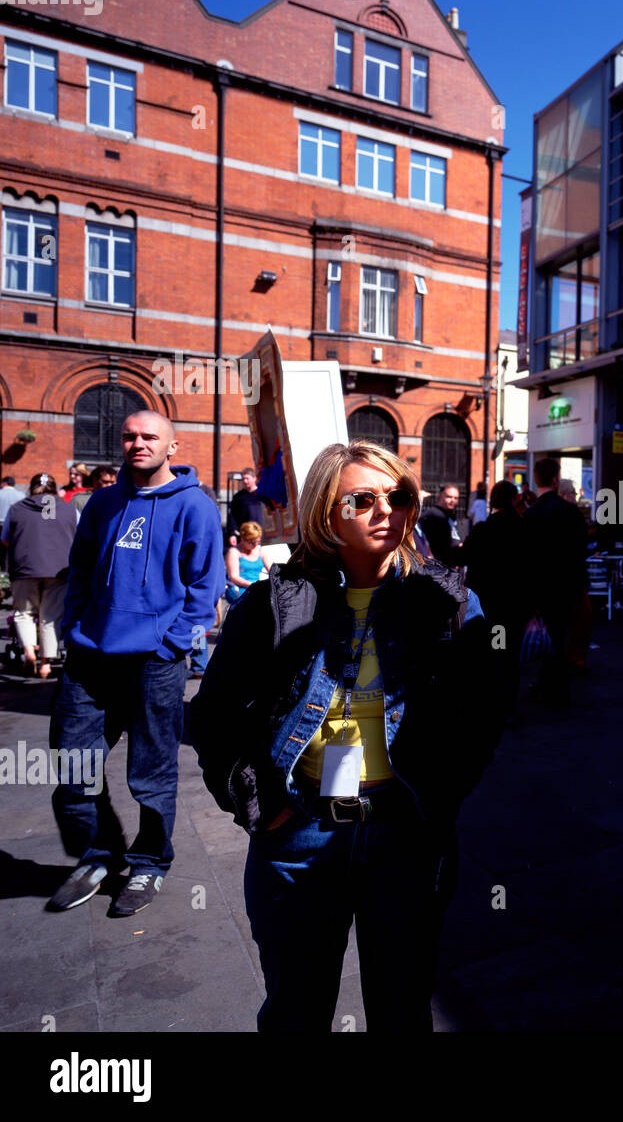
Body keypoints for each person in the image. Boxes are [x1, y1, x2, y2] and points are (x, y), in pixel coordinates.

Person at [189, 441, 501, 1032]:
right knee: (294, 1012)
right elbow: (213, 715)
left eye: (399, 496)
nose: (387, 510)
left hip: (405, 839)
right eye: (363, 499)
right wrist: (254, 796)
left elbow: (481, 713)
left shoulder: (449, 602)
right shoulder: (273, 604)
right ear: (323, 513)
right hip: (300, 835)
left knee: (403, 1011)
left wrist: (436, 800)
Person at [46, 411, 225, 916]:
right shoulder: (102, 502)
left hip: (154, 661)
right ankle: (98, 853)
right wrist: (72, 629)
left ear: (173, 445)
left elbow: (204, 589)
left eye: (149, 437)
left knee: (150, 770)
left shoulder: (195, 507)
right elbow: (79, 570)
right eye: (129, 436)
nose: (137, 444)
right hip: (90, 656)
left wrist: (173, 646)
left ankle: (148, 864)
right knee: (73, 760)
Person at [459, 479, 535, 714]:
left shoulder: (484, 528)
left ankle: (491, 702)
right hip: (515, 606)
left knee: (492, 653)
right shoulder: (523, 529)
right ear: (514, 499)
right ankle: (507, 704)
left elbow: (463, 558)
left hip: (489, 606)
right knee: (509, 656)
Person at [523, 457, 588, 707]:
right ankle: (557, 687)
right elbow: (581, 549)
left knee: (545, 637)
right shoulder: (571, 512)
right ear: (554, 479)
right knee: (560, 638)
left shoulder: (530, 515)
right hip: (567, 586)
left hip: (540, 587)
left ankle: (548, 684)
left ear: (536, 479)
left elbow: (525, 555)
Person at [1, 473, 77, 678]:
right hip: (59, 569)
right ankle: (46, 664)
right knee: (51, 617)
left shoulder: (17, 508)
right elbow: (79, 537)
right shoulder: (70, 509)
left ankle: (28, 651)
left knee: (24, 613)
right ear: (54, 489)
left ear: (31, 488)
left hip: (24, 569)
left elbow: (5, 538)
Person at [224, 521, 272, 607]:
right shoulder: (234, 552)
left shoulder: (260, 550)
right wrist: (253, 585)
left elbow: (272, 570)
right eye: (252, 542)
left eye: (257, 541)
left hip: (257, 588)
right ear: (242, 539)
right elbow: (234, 577)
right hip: (240, 589)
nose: (255, 545)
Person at [226, 467, 270, 547]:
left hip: (262, 536)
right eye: (243, 479)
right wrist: (232, 534)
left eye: (247, 478)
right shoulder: (238, 497)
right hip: (246, 535)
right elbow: (232, 516)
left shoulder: (264, 495)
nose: (245, 481)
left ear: (254, 478)